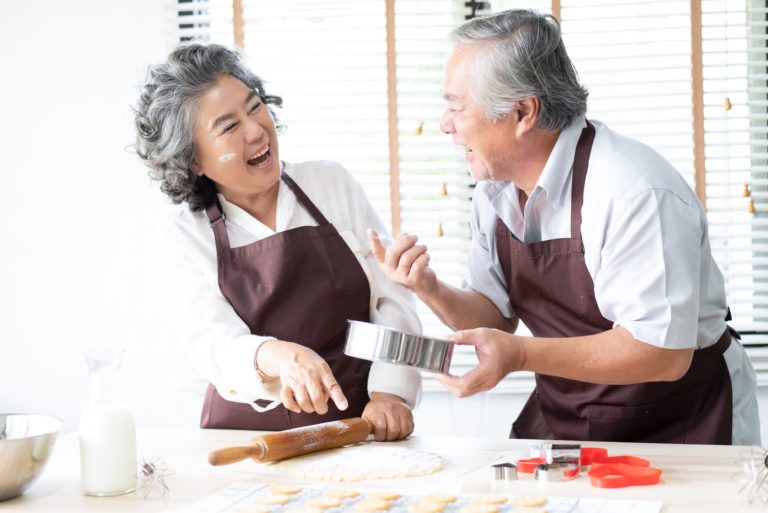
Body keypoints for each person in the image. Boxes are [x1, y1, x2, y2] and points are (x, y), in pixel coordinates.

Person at [368, 9, 761, 445]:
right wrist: (429, 287)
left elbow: (661, 352)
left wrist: (519, 355)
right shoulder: (495, 192)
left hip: (685, 419)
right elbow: (496, 317)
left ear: (522, 112)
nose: (446, 125)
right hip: (574, 418)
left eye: (456, 106)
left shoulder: (632, 192)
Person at [134, 44, 421, 440]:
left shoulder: (331, 184)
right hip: (249, 441)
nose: (255, 130)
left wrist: (392, 392)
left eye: (254, 107)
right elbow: (213, 343)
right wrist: (276, 356)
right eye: (229, 126)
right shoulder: (184, 235)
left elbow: (394, 299)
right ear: (193, 160)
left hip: (358, 426)